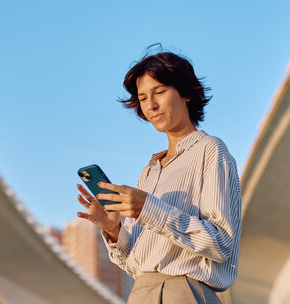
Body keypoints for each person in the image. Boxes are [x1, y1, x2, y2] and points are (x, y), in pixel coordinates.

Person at [76, 49, 242, 304]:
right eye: (142, 98)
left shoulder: (210, 150)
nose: (150, 105)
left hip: (185, 291)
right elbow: (134, 264)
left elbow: (221, 243)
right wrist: (113, 230)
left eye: (160, 92)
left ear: (186, 92)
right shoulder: (150, 170)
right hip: (141, 292)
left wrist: (149, 209)